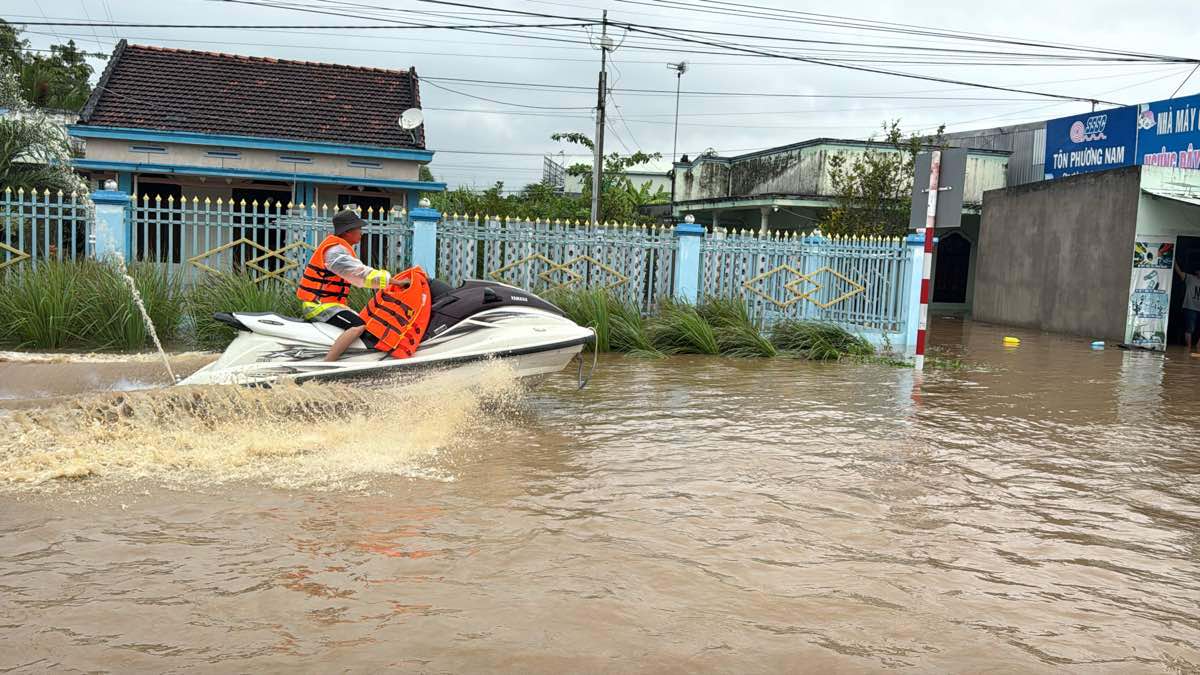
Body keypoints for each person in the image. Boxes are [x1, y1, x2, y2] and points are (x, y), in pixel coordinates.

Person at [296, 209, 409, 361]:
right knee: (358, 325)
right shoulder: (335, 252)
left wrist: (389, 283)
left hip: (330, 304)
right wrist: (397, 282)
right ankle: (327, 364)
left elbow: (363, 278)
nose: (361, 233)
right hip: (319, 305)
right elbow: (362, 274)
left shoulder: (339, 249)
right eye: (359, 229)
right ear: (348, 232)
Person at [1174, 255, 1200, 356]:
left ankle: (1198, 347)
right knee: (1190, 328)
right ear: (1197, 272)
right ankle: (1188, 347)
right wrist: (1174, 262)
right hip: (1190, 307)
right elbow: (1179, 272)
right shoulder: (1190, 278)